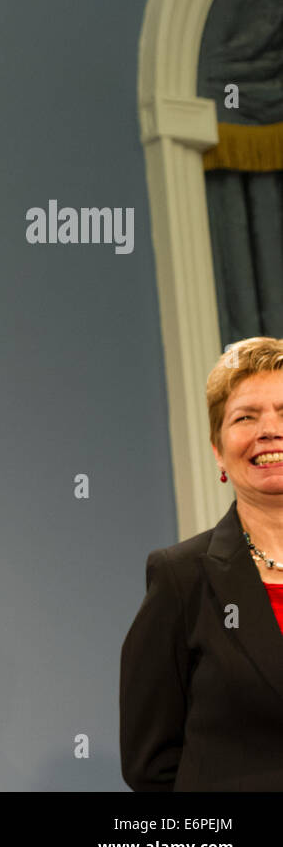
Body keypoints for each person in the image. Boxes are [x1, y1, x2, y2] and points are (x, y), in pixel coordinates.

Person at [121, 337, 283, 790]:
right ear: (218, 449)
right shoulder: (181, 577)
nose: (269, 430)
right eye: (246, 417)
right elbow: (150, 765)